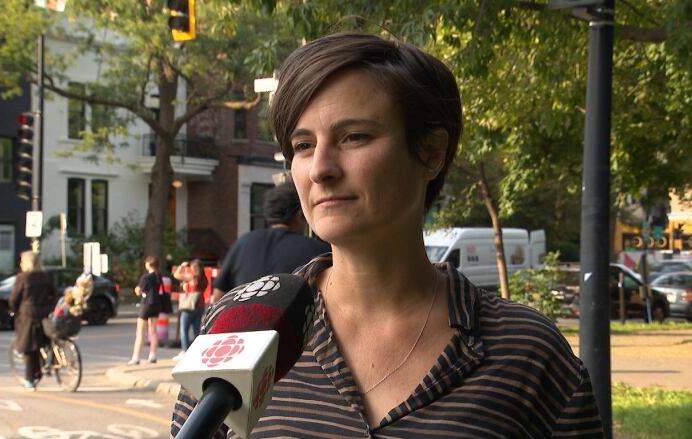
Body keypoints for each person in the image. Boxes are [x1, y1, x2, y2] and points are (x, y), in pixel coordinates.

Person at [172, 32, 603, 437]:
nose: (321, 168)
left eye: (354, 136)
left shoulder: (528, 352)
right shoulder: (238, 330)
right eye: (303, 145)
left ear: (431, 152)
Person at [211, 182, 331, 303]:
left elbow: (218, 296)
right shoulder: (319, 252)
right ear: (300, 214)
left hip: (238, 320)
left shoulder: (243, 243)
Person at [9, 250, 56, 390]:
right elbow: (53, 293)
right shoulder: (44, 277)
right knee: (42, 343)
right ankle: (42, 368)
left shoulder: (23, 278)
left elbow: (14, 298)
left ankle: (30, 379)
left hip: (28, 315)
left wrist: (13, 309)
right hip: (44, 313)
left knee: (29, 347)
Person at [128, 256, 161, 365]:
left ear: (149, 264)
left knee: (140, 333)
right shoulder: (158, 276)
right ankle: (153, 355)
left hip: (146, 304)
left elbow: (139, 290)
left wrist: (137, 290)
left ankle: (136, 357)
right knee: (154, 331)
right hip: (156, 304)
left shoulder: (146, 277)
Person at [172, 259, 208, 358]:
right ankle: (199, 351)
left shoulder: (192, 277)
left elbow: (176, 275)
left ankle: (185, 351)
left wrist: (182, 266)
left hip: (189, 307)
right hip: (200, 306)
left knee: (184, 329)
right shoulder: (204, 279)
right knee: (196, 330)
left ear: (194, 268)